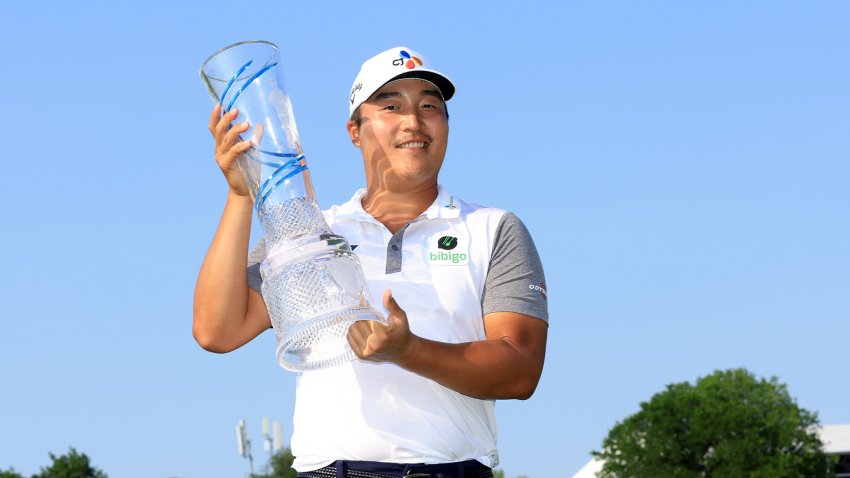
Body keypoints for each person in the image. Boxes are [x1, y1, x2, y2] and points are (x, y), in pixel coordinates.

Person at [194, 46, 549, 478]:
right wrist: (239, 195)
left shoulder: (494, 228)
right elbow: (217, 330)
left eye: (429, 107)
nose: (413, 122)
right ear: (354, 131)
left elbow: (521, 371)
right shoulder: (310, 231)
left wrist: (409, 350)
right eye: (391, 106)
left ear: (446, 126)